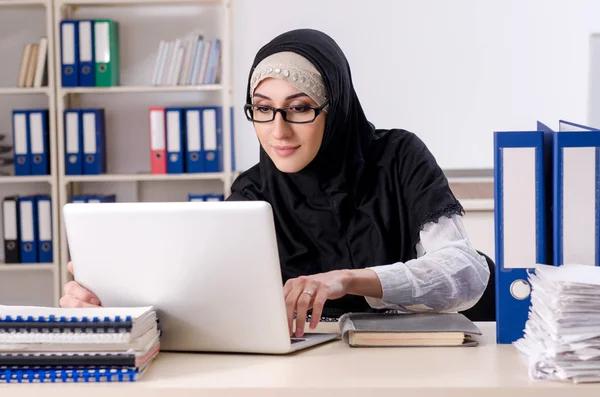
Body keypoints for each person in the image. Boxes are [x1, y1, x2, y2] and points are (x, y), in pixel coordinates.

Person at [60, 28, 490, 339]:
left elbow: (467, 272)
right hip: (300, 371)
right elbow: (205, 296)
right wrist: (108, 304)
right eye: (262, 109)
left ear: (334, 107)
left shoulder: (398, 156)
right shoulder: (251, 193)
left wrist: (348, 280)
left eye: (299, 108)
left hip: (410, 361)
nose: (278, 131)